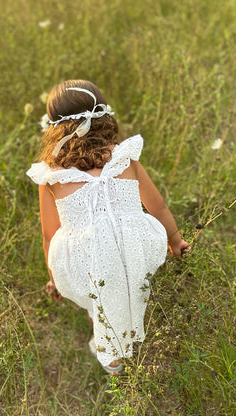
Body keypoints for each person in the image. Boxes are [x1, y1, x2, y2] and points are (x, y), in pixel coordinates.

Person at [27, 80, 190, 373]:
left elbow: (49, 234)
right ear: (103, 117)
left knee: (96, 293)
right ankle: (131, 328)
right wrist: (174, 241)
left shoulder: (52, 175)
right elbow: (157, 206)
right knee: (131, 283)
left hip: (86, 257)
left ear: (53, 127)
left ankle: (109, 349)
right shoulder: (123, 157)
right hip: (134, 246)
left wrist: (53, 276)